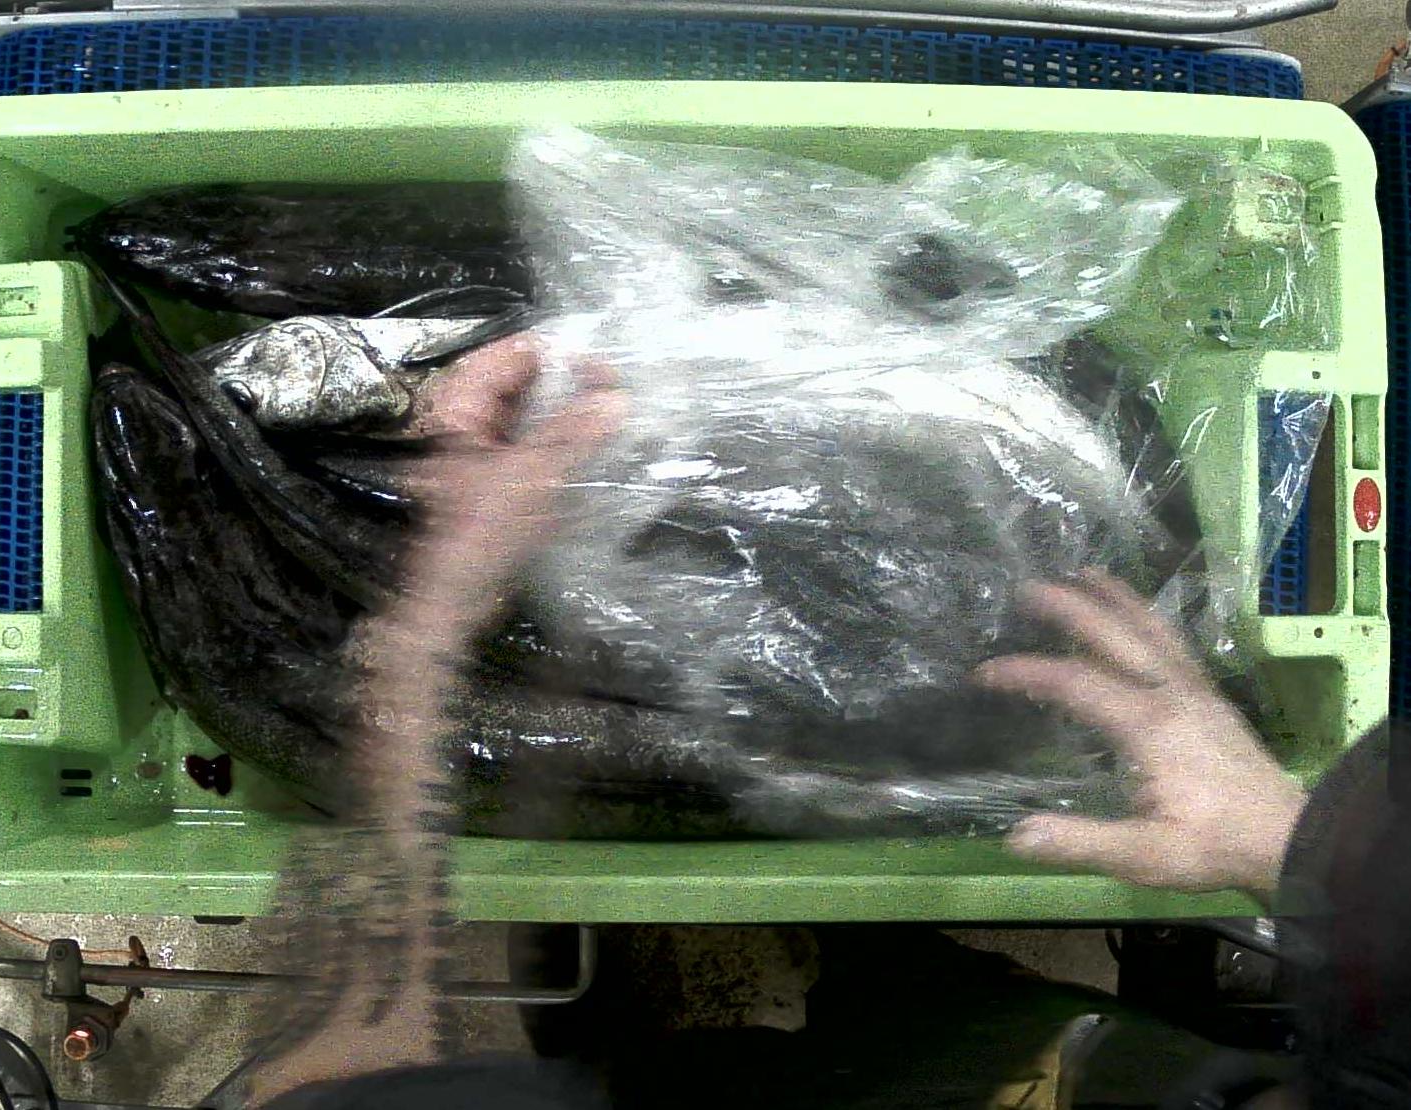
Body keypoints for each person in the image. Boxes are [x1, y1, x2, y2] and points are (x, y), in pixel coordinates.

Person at [256, 339, 1409, 1109]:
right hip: (1105, 1082)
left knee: (676, 1063)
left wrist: (427, 627)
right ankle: (882, 975)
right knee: (950, 1030)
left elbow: (331, 1078)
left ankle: (659, 1018)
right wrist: (1284, 841)